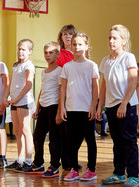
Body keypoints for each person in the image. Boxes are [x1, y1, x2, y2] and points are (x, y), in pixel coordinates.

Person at [96, 25, 139, 187]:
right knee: (117, 142)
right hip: (111, 106)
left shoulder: (129, 57)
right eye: (109, 38)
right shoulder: (105, 60)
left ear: (124, 41)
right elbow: (104, 85)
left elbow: (133, 81)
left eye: (115, 38)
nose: (111, 41)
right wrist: (100, 106)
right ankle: (119, 173)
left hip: (126, 105)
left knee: (129, 141)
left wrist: (124, 103)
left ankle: (133, 176)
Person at [61, 33, 99, 181]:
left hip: (86, 109)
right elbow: (63, 89)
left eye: (80, 44)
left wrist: (93, 106)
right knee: (71, 141)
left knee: (90, 140)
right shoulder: (67, 66)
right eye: (75, 44)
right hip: (71, 109)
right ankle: (74, 169)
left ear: (86, 46)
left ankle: (91, 170)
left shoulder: (91, 65)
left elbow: (95, 88)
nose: (77, 47)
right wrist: (62, 107)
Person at [23, 42, 62, 177]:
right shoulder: (44, 72)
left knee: (54, 138)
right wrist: (37, 108)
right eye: (46, 52)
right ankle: (38, 163)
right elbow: (42, 91)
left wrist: (60, 110)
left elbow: (62, 90)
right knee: (37, 136)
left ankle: (54, 165)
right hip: (44, 107)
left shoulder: (60, 71)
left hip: (54, 106)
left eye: (51, 52)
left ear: (57, 54)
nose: (47, 55)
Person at [5, 39, 35, 172]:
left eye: (23, 49)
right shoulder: (16, 65)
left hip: (23, 101)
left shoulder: (29, 65)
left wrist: (17, 98)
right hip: (14, 101)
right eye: (19, 49)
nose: (20, 51)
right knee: (17, 131)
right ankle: (20, 160)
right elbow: (11, 82)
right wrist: (6, 96)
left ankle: (29, 161)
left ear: (30, 52)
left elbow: (29, 84)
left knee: (26, 130)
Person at [57, 24, 79, 171]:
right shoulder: (59, 54)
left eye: (70, 34)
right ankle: (67, 161)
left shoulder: (80, 54)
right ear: (61, 37)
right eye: (65, 34)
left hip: (79, 97)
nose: (68, 36)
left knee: (78, 132)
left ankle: (73, 158)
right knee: (66, 132)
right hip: (64, 95)